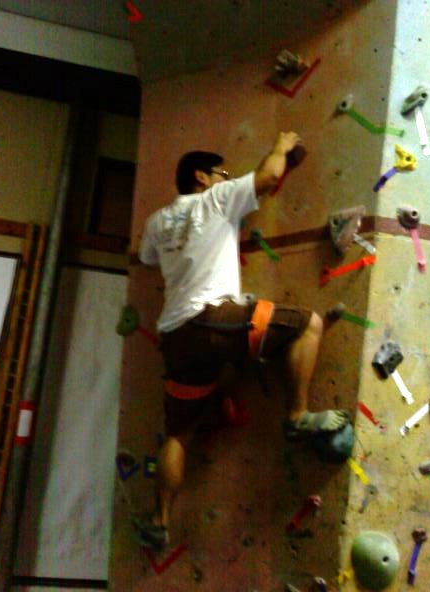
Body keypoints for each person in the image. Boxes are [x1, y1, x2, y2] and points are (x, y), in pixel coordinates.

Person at [136, 131, 350, 550]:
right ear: (201, 176)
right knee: (307, 324)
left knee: (178, 433)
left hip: (174, 338)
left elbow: (146, 258)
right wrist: (284, 145)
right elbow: (268, 177)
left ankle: (159, 520)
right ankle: (297, 415)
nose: (226, 178)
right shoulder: (215, 199)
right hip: (213, 319)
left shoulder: (156, 222)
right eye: (222, 173)